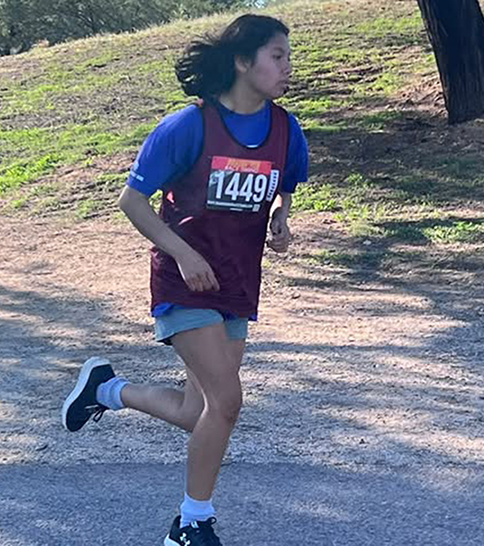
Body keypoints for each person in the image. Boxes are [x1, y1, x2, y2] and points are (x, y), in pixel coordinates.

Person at [61, 13, 308, 546]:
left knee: (198, 410)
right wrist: (183, 253)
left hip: (239, 284)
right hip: (185, 283)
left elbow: (285, 182)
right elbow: (133, 201)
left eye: (289, 56)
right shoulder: (188, 126)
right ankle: (191, 523)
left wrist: (282, 218)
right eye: (278, 56)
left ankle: (104, 388)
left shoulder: (286, 129)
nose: (288, 67)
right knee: (228, 403)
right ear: (244, 62)